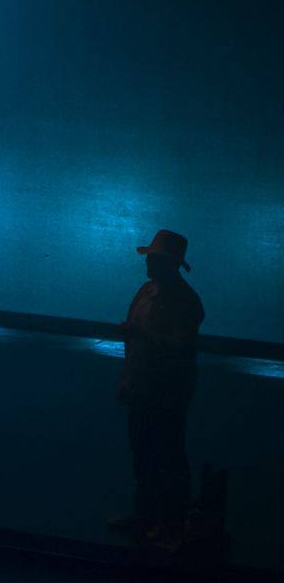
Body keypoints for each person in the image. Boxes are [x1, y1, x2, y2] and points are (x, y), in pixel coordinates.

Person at [114, 229, 205, 553]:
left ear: (170, 263)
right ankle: (149, 517)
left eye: (154, 258)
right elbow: (136, 341)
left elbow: (180, 346)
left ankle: (169, 524)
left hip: (168, 389)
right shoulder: (151, 292)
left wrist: (141, 337)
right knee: (145, 452)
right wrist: (128, 377)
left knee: (165, 454)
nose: (148, 262)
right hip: (146, 385)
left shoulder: (184, 301)